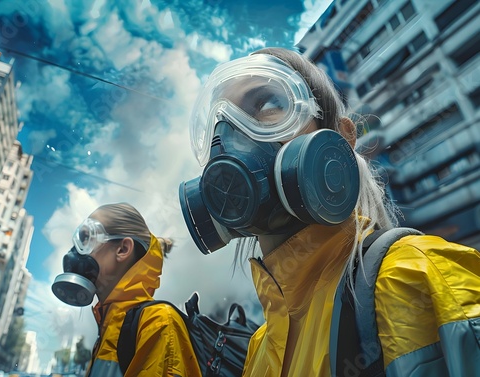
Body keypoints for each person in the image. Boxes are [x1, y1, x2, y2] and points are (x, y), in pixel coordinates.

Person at [178, 47, 480, 376]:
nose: (233, 138)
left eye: (266, 104)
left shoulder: (416, 275)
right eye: (219, 124)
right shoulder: (259, 348)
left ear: (341, 139)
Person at [51, 202, 202, 377]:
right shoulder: (109, 326)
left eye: (86, 238)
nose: (75, 252)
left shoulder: (157, 322)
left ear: (123, 249)